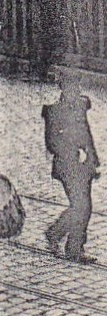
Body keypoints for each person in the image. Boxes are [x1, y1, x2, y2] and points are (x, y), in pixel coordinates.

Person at [44, 70, 99, 262]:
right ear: (62, 89)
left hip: (84, 165)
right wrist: (73, 151)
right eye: (70, 88)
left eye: (76, 88)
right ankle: (71, 246)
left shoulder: (81, 107)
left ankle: (61, 237)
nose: (74, 92)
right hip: (66, 166)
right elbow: (51, 143)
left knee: (85, 206)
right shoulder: (53, 111)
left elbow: (87, 135)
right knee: (81, 206)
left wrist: (93, 159)